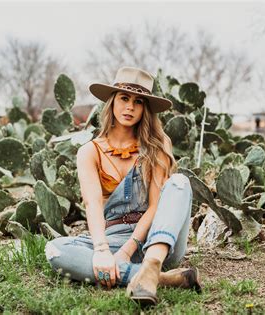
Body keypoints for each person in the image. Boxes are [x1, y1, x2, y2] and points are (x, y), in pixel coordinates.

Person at [45, 67, 201, 306]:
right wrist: (101, 250)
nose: (130, 107)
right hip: (113, 237)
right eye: (124, 98)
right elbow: (93, 203)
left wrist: (129, 250)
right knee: (56, 250)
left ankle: (152, 266)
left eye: (138, 102)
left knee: (180, 182)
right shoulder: (90, 151)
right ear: (112, 102)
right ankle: (162, 279)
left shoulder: (157, 145)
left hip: (157, 241)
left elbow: (155, 206)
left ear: (145, 109)